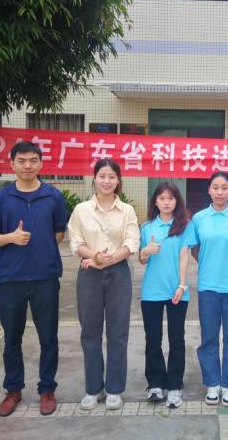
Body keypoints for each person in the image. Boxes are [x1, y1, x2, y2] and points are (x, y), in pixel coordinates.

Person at [0, 141, 68, 417]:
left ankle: (47, 389)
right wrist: (12, 237)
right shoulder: (1, 198)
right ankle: (13, 389)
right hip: (11, 279)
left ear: (41, 163)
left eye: (33, 160)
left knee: (49, 337)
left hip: (45, 277)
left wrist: (40, 250)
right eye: (21, 161)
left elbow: (59, 232)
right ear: (12, 163)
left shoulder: (53, 196)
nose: (28, 166)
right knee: (12, 338)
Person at [67, 159, 140, 411]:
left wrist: (109, 259)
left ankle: (115, 389)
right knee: (90, 331)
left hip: (119, 273)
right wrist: (95, 257)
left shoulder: (127, 210)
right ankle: (93, 388)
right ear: (94, 179)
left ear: (118, 181)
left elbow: (132, 242)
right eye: (102, 176)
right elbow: (75, 241)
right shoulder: (81, 210)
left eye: (111, 177)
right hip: (89, 273)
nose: (106, 181)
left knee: (118, 332)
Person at [192, 172, 228, 407]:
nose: (219, 192)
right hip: (208, 286)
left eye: (224, 188)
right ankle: (212, 383)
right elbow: (194, 247)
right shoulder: (199, 218)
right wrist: (208, 262)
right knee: (208, 337)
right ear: (209, 189)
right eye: (215, 187)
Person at [138, 182, 197, 409]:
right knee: (153, 339)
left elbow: (184, 255)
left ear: (176, 202)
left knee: (176, 339)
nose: (166, 203)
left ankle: (174, 385)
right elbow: (142, 259)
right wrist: (146, 251)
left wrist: (181, 285)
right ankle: (155, 383)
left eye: (170, 199)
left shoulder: (185, 225)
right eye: (162, 198)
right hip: (151, 291)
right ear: (155, 201)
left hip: (177, 291)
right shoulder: (146, 227)